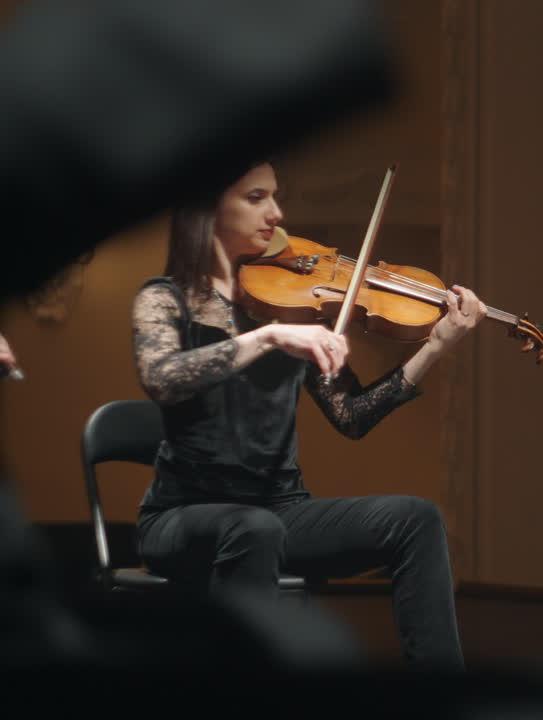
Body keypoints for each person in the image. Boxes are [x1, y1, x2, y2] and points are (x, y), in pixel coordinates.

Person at [130, 161, 485, 672]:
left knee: (416, 518)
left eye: (274, 197)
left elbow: (352, 415)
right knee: (253, 528)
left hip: (281, 511)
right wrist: (267, 338)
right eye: (256, 198)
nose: (276, 213)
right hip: (182, 515)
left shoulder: (289, 304)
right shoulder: (165, 299)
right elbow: (162, 377)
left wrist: (435, 346)